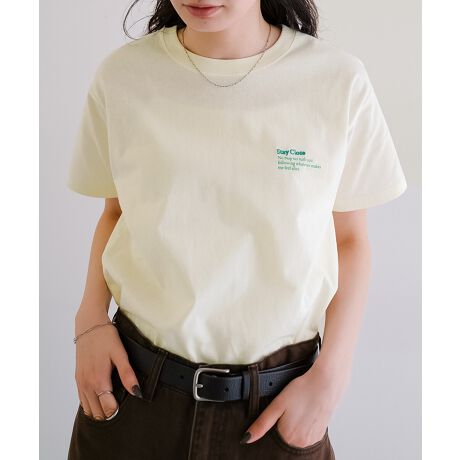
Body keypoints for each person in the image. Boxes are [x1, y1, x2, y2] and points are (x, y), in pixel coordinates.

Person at [66, 0, 408, 459]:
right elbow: (116, 212)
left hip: (275, 411)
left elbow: (350, 240)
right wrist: (88, 321)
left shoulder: (337, 80)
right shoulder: (123, 76)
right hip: (135, 394)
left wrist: (331, 377)